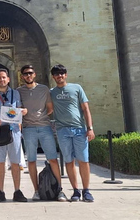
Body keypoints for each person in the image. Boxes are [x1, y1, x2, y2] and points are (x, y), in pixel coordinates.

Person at [17, 65, 67, 201]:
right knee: (31, 160)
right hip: (28, 129)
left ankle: (60, 190)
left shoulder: (43, 89)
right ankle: (36, 190)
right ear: (22, 76)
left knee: (52, 159)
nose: (28, 76)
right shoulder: (19, 91)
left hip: (44, 127)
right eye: (25, 74)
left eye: (30, 73)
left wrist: (39, 116)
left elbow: (50, 109)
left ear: (34, 75)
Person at [50, 64, 95, 202]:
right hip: (62, 130)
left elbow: (85, 108)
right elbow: (47, 109)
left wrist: (90, 128)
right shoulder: (51, 92)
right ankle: (76, 190)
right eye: (57, 74)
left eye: (62, 73)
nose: (60, 76)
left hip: (79, 129)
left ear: (66, 74)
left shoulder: (76, 88)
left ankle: (86, 190)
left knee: (83, 161)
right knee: (69, 161)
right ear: (53, 77)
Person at [0, 68, 28, 202]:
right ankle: (0, 191)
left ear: (8, 79)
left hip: (13, 130)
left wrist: (23, 111)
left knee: (15, 162)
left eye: (4, 77)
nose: (1, 80)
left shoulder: (15, 93)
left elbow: (20, 108)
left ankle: (17, 191)